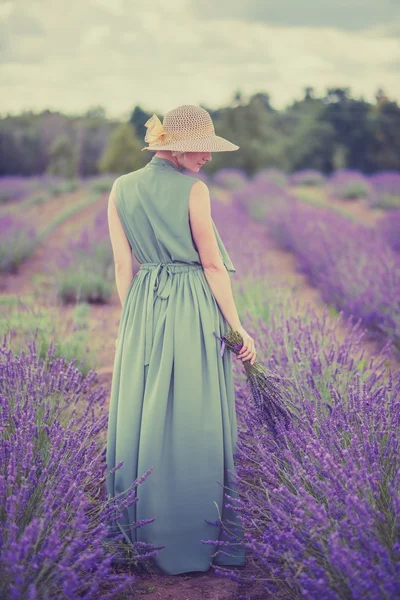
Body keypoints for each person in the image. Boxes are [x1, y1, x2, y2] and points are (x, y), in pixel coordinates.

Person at [105, 104, 256, 575]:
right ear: (178, 146)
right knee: (195, 412)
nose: (208, 158)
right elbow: (211, 265)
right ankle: (193, 536)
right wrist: (237, 326)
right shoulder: (194, 189)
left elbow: (122, 265)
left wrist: (136, 319)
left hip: (142, 305)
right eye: (203, 149)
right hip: (190, 305)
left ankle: (142, 535)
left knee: (142, 411)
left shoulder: (120, 187)